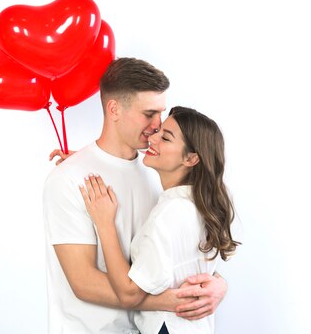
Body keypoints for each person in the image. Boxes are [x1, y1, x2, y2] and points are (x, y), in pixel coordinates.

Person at [43, 58, 228, 334]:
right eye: (149, 114)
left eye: (161, 114)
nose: (157, 125)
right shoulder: (69, 179)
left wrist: (218, 284)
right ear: (114, 109)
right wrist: (171, 301)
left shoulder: (157, 174)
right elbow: (82, 282)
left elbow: (170, 256)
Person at [80, 106, 240, 334]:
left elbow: (129, 294)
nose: (152, 138)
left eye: (165, 137)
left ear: (191, 158)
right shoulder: (199, 205)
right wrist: (84, 166)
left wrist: (104, 224)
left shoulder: (170, 212)